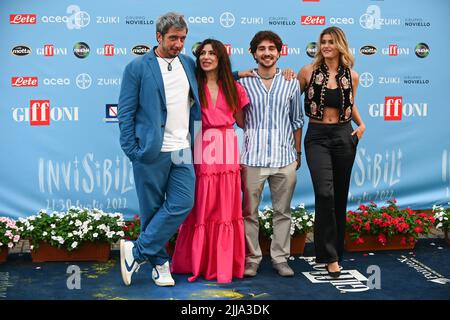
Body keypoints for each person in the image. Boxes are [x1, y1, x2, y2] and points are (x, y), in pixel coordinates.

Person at [117, 12, 201, 287]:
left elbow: (216, 75)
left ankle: (136, 252)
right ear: (158, 37)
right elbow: (125, 112)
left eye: (183, 38)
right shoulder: (138, 67)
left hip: (182, 149)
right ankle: (160, 265)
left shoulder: (188, 63)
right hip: (151, 151)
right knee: (152, 209)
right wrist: (133, 150)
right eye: (173, 38)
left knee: (183, 203)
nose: (178, 44)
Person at [171, 39, 250, 283]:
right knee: (201, 206)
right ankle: (197, 262)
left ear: (220, 58)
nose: (206, 57)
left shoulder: (235, 88)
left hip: (226, 146)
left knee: (226, 206)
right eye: (202, 53)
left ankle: (223, 264)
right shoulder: (192, 85)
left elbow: (241, 122)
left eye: (211, 53)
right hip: (200, 144)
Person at [297, 26, 366, 278]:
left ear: (340, 45)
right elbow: (290, 98)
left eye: (330, 42)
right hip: (316, 137)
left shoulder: (352, 75)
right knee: (324, 193)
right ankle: (329, 256)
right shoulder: (308, 72)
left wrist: (361, 124)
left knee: (339, 196)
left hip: (343, 136)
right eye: (322, 42)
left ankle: (333, 254)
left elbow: (350, 103)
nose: (325, 46)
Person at [239, 31, 304, 277]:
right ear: (254, 53)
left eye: (271, 48)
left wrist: (297, 153)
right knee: (249, 213)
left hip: (284, 158)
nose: (267, 53)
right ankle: (252, 258)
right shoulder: (243, 82)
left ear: (279, 52)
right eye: (261, 49)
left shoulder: (291, 82)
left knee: (283, 212)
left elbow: (297, 120)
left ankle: (280, 258)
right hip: (252, 159)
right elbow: (239, 119)